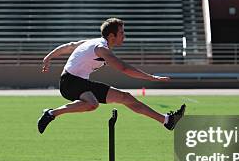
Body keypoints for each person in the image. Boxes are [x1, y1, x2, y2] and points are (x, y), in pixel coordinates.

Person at [38, 18, 186, 134]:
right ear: (111, 36)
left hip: (80, 82)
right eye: (121, 33)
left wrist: (49, 57)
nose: (124, 36)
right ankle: (51, 113)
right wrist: (151, 78)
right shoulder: (100, 48)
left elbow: (70, 46)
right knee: (93, 104)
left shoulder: (94, 42)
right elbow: (124, 68)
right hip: (70, 82)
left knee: (125, 98)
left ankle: (167, 121)